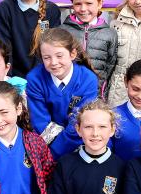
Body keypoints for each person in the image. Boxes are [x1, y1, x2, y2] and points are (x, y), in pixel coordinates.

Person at [26, 28, 99, 159]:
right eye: (47, 58)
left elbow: (81, 121)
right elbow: (39, 122)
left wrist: (56, 152)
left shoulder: (88, 79)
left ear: (72, 54)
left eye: (59, 56)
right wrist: (51, 154)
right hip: (46, 145)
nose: (53, 63)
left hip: (80, 144)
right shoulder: (34, 79)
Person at [62, 0, 118, 96]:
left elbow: (110, 66)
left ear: (100, 3)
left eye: (89, 3)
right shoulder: (62, 31)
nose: (83, 9)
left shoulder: (109, 33)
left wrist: (102, 90)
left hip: (96, 94)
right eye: (78, 4)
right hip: (66, 94)